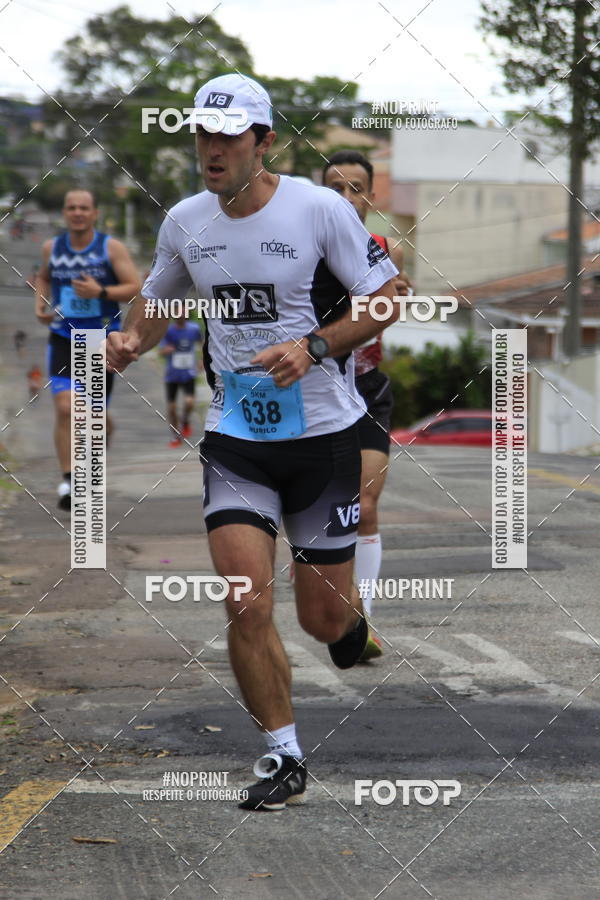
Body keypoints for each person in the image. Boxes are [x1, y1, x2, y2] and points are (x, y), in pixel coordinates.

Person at [106, 73, 399, 812]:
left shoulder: (318, 207)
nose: (212, 148)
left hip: (324, 435)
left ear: (263, 143)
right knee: (245, 599)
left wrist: (315, 346)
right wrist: (132, 339)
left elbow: (388, 296)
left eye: (229, 135)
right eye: (203, 134)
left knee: (322, 621)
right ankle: (282, 754)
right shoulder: (184, 220)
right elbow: (163, 297)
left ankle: (350, 616)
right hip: (236, 438)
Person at [323, 151, 410, 660]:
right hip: (317, 392)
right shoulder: (304, 247)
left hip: (367, 389)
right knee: (325, 510)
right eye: (335, 188)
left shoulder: (383, 248)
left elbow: (386, 307)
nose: (346, 198)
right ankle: (328, 585)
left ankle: (363, 626)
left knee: (367, 505)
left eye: (355, 189)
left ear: (370, 198)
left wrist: (394, 292)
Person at [35, 189, 141, 510]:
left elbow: (136, 287)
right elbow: (43, 278)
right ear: (65, 213)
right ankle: (70, 480)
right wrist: (41, 304)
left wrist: (102, 290)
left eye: (84, 208)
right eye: (71, 208)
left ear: (94, 213)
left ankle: (105, 427)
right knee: (67, 408)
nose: (77, 213)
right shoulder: (52, 247)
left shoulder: (110, 248)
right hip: (63, 337)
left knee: (93, 417)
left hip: (101, 340)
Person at [159, 314, 203, 446]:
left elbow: (202, 344)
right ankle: (175, 435)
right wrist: (166, 350)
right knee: (172, 407)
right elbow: (161, 351)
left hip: (188, 372)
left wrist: (201, 360)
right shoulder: (168, 330)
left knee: (189, 402)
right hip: (172, 373)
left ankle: (185, 421)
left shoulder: (194, 328)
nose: (181, 315)